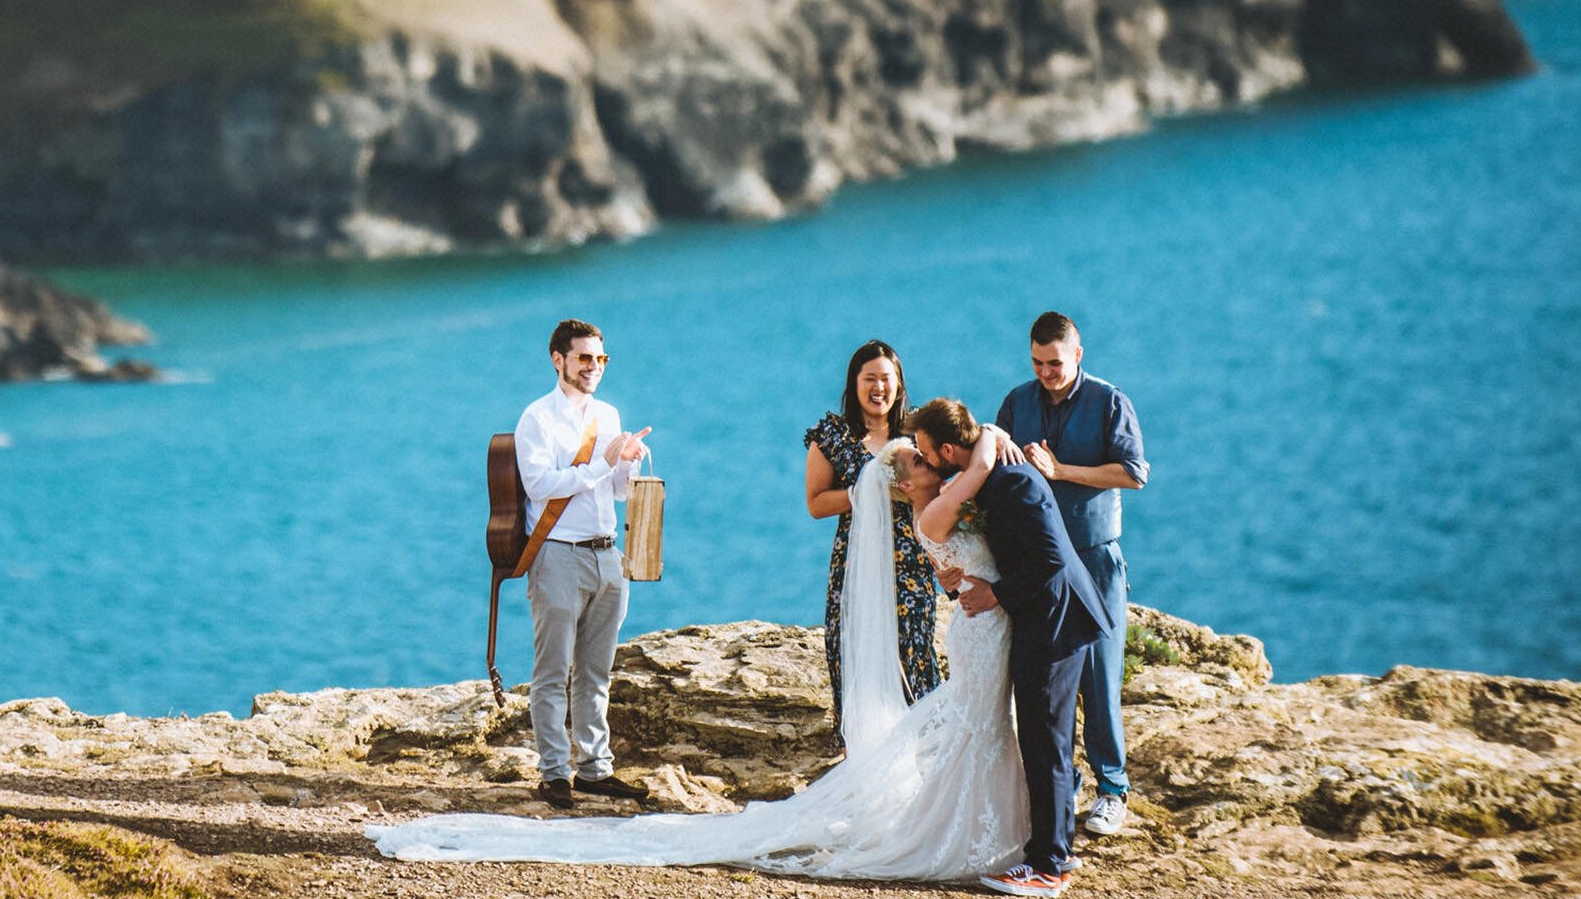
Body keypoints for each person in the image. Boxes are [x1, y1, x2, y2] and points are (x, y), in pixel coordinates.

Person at [369, 429, 1031, 880]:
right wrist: (994, 444)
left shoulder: (937, 507)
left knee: (980, 728)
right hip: (980, 627)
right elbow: (970, 478)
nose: (923, 465)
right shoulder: (936, 509)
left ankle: (983, 825)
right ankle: (965, 831)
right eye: (916, 460)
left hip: (981, 624)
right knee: (975, 726)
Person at [908, 397, 1112, 896]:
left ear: (950, 450)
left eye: (927, 452)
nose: (927, 461)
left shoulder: (1013, 482)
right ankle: (1055, 847)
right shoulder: (994, 476)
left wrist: (994, 592)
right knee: (1045, 740)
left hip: (1054, 621)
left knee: (1045, 743)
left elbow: (1047, 562)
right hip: (1041, 619)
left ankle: (1048, 866)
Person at [994, 312, 1148, 839]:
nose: (1046, 372)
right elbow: (996, 473)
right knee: (1041, 683)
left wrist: (1062, 472)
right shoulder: (1016, 403)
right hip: (1037, 566)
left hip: (1095, 557)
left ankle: (1113, 789)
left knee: (1099, 678)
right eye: (1037, 363)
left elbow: (1133, 472)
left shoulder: (1109, 402)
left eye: (1054, 363)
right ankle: (1067, 780)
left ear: (1077, 354)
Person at [514, 319, 652, 809]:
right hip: (557, 555)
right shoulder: (537, 419)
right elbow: (540, 486)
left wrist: (628, 463)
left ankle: (595, 770)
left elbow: (613, 492)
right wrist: (602, 463)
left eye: (601, 359)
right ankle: (554, 772)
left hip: (605, 553)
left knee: (596, 672)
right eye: (584, 358)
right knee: (553, 671)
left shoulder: (609, 415)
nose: (594, 367)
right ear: (559, 360)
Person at [804, 340, 942, 749]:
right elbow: (815, 503)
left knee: (916, 649)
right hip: (856, 563)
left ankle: (932, 747)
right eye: (870, 379)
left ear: (899, 384)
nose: (878, 388)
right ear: (855, 384)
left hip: (912, 562)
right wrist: (869, 487)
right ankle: (859, 752)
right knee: (850, 648)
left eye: (887, 379)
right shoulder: (832, 434)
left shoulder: (919, 433)